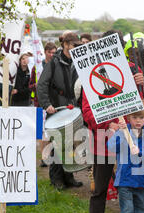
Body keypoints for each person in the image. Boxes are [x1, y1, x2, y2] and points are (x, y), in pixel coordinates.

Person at [83, 29, 144, 213]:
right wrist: (109, 124)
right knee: (100, 189)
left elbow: (143, 107)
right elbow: (87, 111)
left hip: (134, 142)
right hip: (104, 140)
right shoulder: (91, 74)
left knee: (143, 184)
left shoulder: (133, 71)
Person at [37, 32, 83, 190]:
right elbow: (42, 85)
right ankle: (56, 179)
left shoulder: (77, 61)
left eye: (76, 45)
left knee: (69, 143)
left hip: (72, 107)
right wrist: (46, 104)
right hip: (56, 107)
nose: (74, 48)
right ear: (65, 45)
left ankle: (68, 176)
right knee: (57, 143)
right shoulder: (53, 63)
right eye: (71, 45)